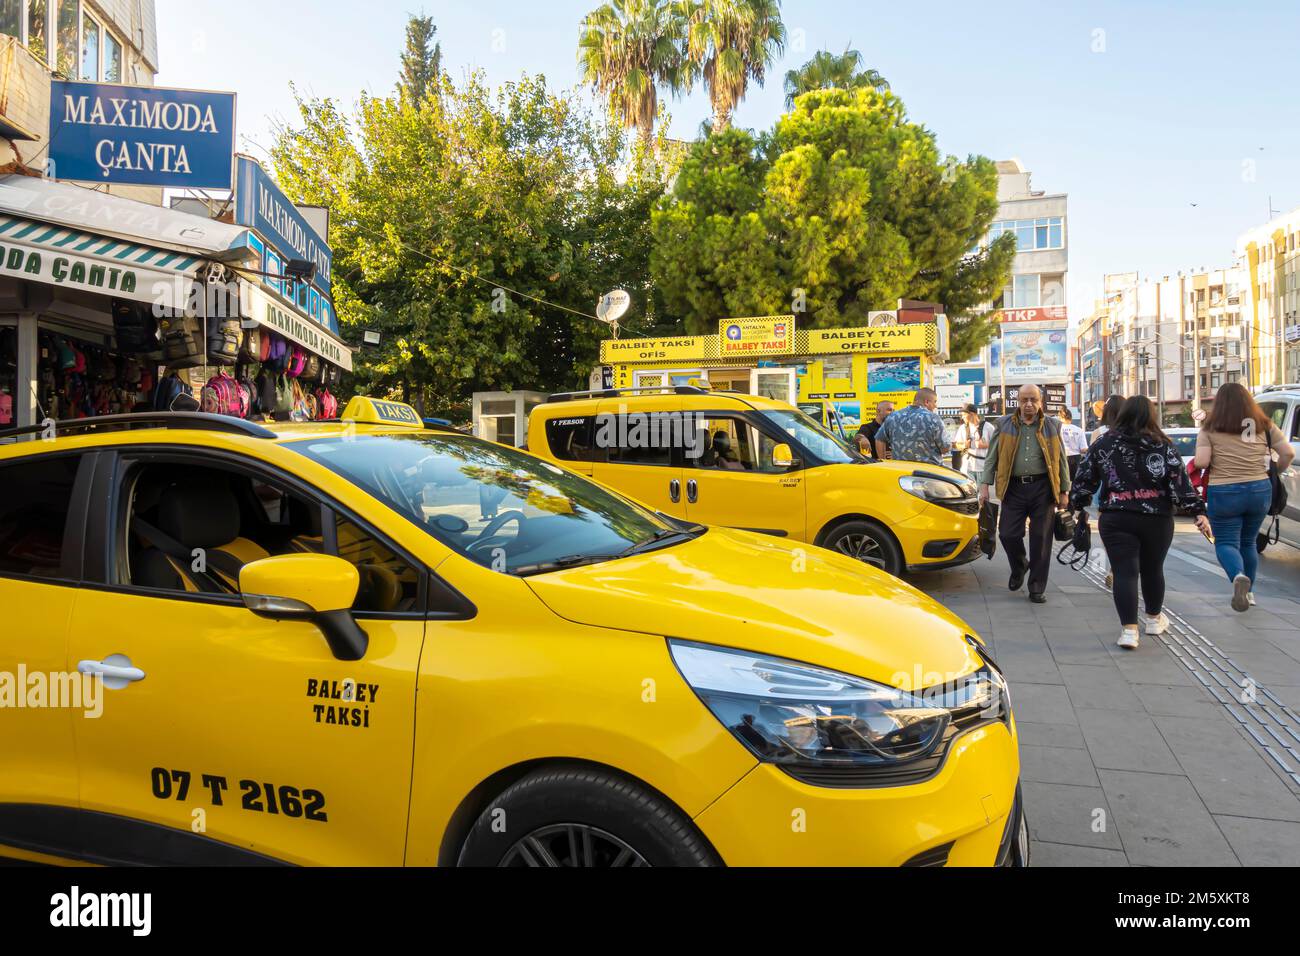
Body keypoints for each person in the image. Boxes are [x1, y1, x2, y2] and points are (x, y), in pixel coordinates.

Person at [1071, 396, 1209, 649]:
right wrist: (1198, 511)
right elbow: (1180, 483)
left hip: (1116, 516)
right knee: (1153, 569)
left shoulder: (1104, 443)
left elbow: (1084, 478)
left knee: (1125, 572)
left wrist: (1078, 505)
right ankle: (1154, 619)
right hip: (1156, 518)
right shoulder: (1163, 445)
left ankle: (1129, 632)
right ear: (1151, 415)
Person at [1194, 382, 1296, 611]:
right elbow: (1288, 452)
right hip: (1259, 489)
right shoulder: (1264, 425)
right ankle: (1249, 594)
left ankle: (1238, 576)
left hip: (1225, 491)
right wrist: (1274, 471)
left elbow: (1201, 462)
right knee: (1248, 542)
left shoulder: (1210, 428)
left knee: (1227, 542)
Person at [977, 384, 1071, 603]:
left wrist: (1065, 490)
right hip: (1013, 487)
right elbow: (992, 457)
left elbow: (1061, 460)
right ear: (1017, 402)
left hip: (1043, 489)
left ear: (1041, 402)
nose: (1029, 404)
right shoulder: (1003, 424)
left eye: (1033, 400)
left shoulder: (1052, 425)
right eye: (1024, 400)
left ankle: (1037, 587)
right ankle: (1020, 566)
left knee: (1041, 538)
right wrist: (984, 485)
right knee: (1007, 534)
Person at [876, 388, 949, 466]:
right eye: (934, 402)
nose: (935, 406)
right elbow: (945, 448)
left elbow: (879, 439)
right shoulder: (933, 418)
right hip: (929, 473)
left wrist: (884, 462)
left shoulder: (893, 416)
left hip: (901, 472)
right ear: (926, 402)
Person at [956, 403, 995, 483]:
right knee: (970, 493)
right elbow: (956, 445)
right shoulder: (963, 428)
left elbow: (998, 444)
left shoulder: (988, 427)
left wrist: (985, 445)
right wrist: (964, 445)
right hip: (967, 467)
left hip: (982, 467)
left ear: (972, 414)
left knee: (982, 494)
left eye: (964, 414)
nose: (962, 417)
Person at [1058, 406, 1088, 478]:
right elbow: (1083, 449)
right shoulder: (1079, 430)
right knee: (1075, 482)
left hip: (1062, 458)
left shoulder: (1057, 429)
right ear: (1071, 418)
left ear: (1060, 418)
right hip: (1076, 459)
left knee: (1063, 483)